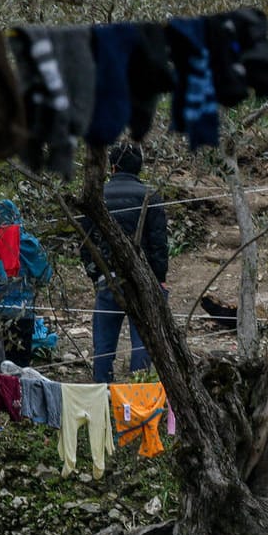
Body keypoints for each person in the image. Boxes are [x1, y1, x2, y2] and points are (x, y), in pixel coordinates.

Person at [83, 144, 168, 381]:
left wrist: (95, 274)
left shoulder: (97, 195)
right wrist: (159, 279)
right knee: (143, 341)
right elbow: (159, 244)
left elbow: (85, 242)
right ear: (139, 168)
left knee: (104, 345)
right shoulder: (150, 196)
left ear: (112, 167)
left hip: (107, 279)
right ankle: (137, 394)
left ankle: (103, 393)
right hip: (143, 281)